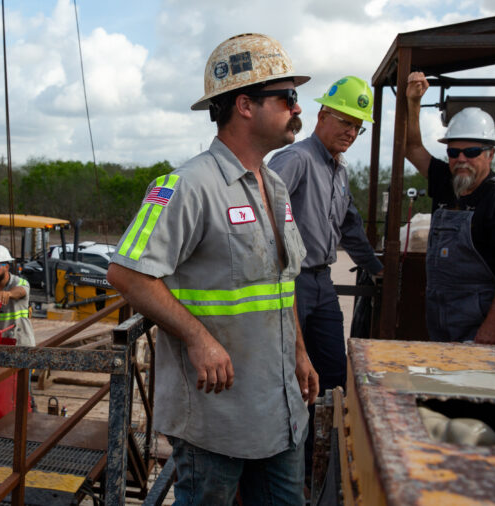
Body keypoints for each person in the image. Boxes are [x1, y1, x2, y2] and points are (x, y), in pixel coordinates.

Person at [106, 33, 318, 504]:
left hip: (279, 409)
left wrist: (299, 353)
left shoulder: (276, 186)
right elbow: (126, 273)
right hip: (216, 419)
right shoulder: (187, 186)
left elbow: (282, 286)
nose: (296, 110)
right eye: (287, 97)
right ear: (245, 105)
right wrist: (199, 338)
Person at [268, 75, 383, 395]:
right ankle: (292, 442)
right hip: (292, 281)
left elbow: (350, 226)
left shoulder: (339, 170)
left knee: (334, 372)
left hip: (322, 281)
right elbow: (263, 211)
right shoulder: (297, 159)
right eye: (346, 121)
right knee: (287, 369)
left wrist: (375, 268)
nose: (351, 132)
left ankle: (323, 441)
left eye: (358, 127)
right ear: (321, 116)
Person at [405, 71, 495, 352]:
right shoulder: (446, 183)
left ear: (490, 154)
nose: (462, 159)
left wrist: (494, 322)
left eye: (472, 151)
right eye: (453, 152)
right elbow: (412, 147)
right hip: (443, 318)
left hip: (482, 323)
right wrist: (413, 102)